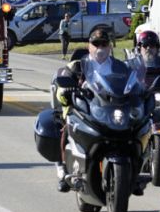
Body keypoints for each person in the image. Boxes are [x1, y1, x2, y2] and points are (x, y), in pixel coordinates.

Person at [54, 27, 126, 192]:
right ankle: (63, 169)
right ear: (89, 46)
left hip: (112, 110)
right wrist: (66, 91)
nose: (100, 48)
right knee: (67, 127)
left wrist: (141, 91)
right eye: (96, 44)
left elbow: (133, 83)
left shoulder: (120, 66)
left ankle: (136, 165)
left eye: (104, 44)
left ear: (110, 47)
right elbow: (62, 84)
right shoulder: (77, 66)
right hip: (85, 109)